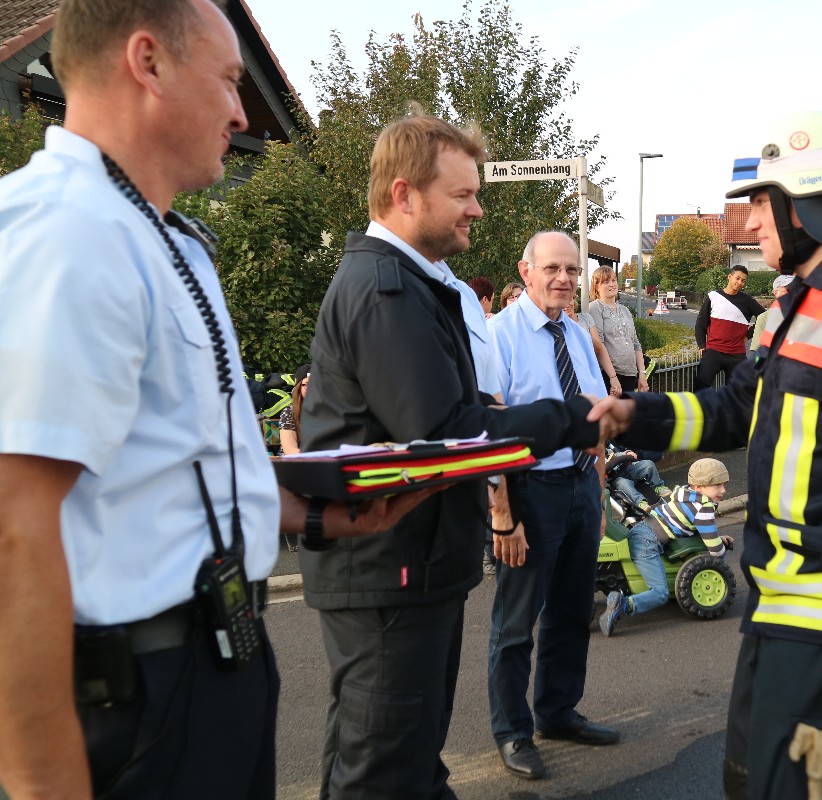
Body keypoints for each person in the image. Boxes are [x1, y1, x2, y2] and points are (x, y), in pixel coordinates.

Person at [0, 2, 429, 797]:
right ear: (148, 62)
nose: (241, 113)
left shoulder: (156, 235)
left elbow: (173, 470)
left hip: (212, 668)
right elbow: (13, 530)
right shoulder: (65, 232)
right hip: (139, 696)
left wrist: (321, 516)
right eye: (230, 81)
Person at [587, 111, 822, 799]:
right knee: (748, 781)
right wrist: (632, 414)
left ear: (805, 203)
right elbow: (735, 409)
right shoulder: (800, 306)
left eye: (762, 202)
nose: (753, 222)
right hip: (778, 609)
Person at [300, 116, 603, 799]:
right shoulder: (385, 290)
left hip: (413, 562)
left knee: (408, 760)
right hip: (389, 569)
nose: (477, 209)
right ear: (405, 195)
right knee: (381, 768)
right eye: (462, 194)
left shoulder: (413, 284)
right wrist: (576, 418)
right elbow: (449, 432)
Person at [486, 231, 620, 781]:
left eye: (571, 269)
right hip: (529, 492)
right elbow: (489, 432)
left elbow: (596, 417)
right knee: (516, 622)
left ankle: (558, 712)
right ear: (526, 272)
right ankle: (512, 731)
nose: (564, 279)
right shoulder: (499, 336)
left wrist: (599, 491)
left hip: (581, 487)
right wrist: (503, 514)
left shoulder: (577, 335)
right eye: (552, 269)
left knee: (570, 611)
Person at [599, 458, 734, 636]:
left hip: (643, 529)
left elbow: (700, 530)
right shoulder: (703, 508)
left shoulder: (685, 495)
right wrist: (720, 566)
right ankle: (624, 604)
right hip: (647, 542)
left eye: (724, 484)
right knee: (660, 593)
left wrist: (717, 537)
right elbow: (715, 550)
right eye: (717, 485)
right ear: (699, 487)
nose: (723, 490)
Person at [694, 264, 766, 389]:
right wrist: (701, 345)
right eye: (737, 278)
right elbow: (701, 323)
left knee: (737, 391)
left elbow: (765, 318)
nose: (740, 283)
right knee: (700, 385)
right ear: (729, 277)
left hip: (736, 354)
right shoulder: (713, 297)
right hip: (713, 351)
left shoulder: (747, 300)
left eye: (743, 281)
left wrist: (748, 336)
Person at [590, 265, 647, 394]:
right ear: (596, 286)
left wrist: (642, 374)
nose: (611, 284)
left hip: (630, 374)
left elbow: (636, 344)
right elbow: (598, 345)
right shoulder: (595, 308)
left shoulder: (625, 310)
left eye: (613, 280)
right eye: (606, 282)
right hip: (609, 376)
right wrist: (613, 377)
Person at [567, 298, 622, 396]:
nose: (567, 305)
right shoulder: (555, 325)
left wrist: (613, 377)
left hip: (591, 377)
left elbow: (599, 348)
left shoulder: (586, 318)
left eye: (569, 299)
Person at [604, 441, 671, 513]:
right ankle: (640, 502)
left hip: (627, 470)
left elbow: (617, 454)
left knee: (648, 464)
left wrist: (627, 453)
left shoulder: (608, 451)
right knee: (624, 483)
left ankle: (658, 486)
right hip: (615, 480)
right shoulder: (596, 461)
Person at [749, 274, 794, 351]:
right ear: (775, 293)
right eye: (788, 290)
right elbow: (757, 351)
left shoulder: (807, 316)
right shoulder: (764, 318)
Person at [279, 363, 310, 455]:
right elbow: (290, 451)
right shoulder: (290, 412)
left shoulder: (330, 412)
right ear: (299, 388)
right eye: (307, 385)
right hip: (296, 461)